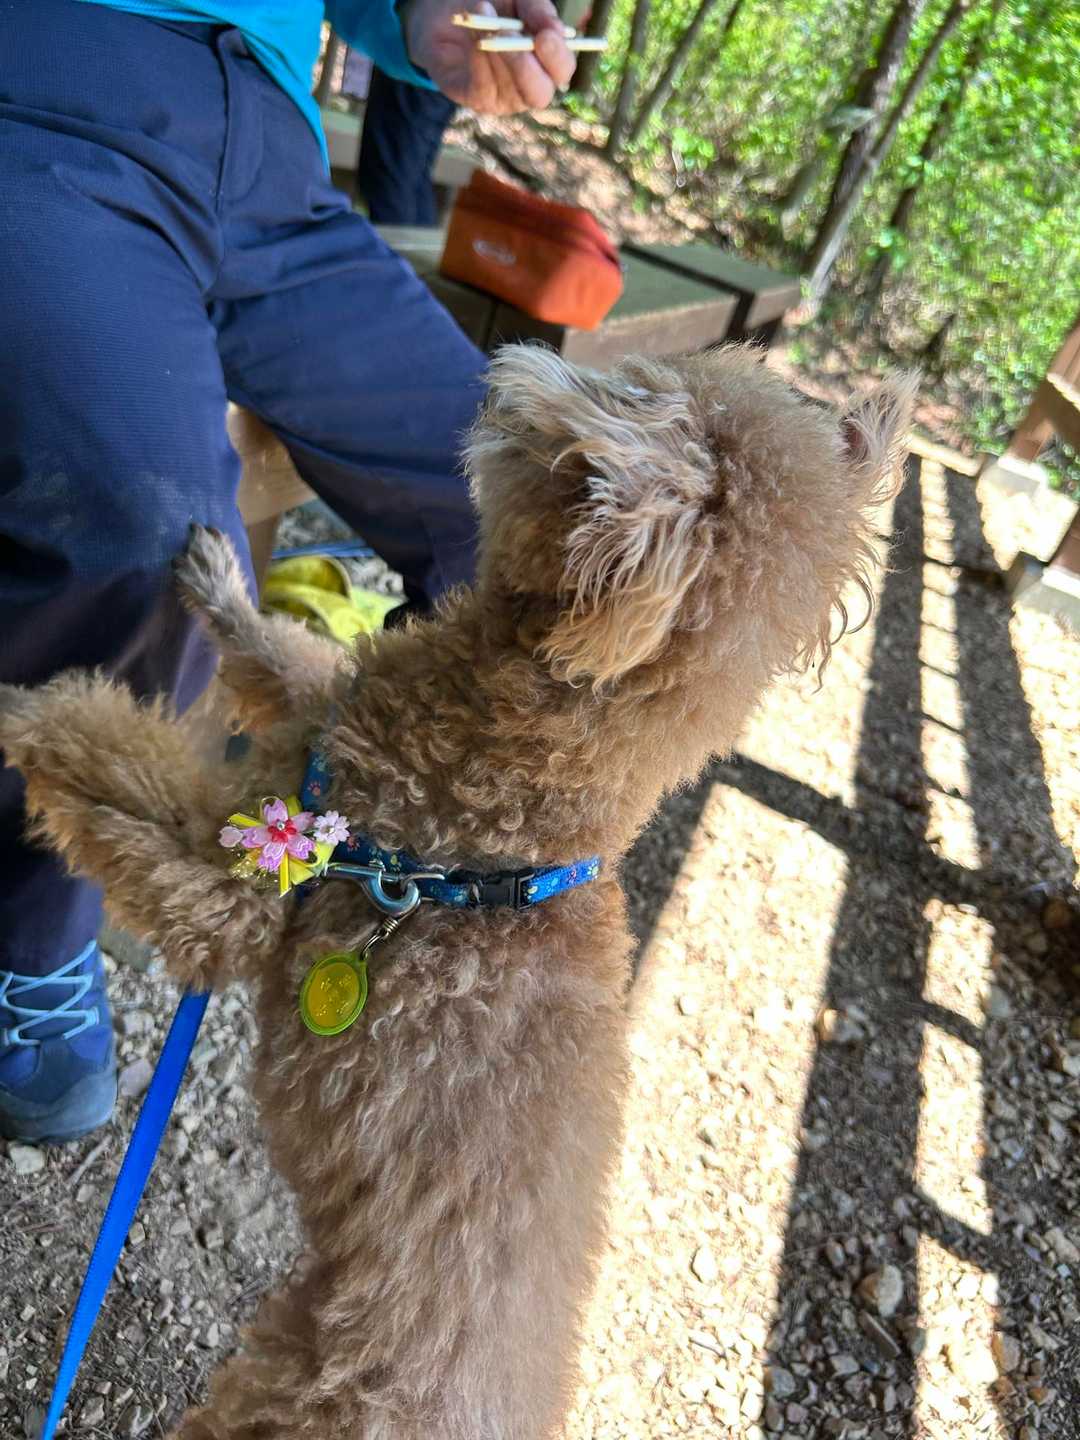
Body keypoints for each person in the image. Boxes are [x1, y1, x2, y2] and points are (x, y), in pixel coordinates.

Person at [0, 0, 574, 1145]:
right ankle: (29, 940)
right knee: (147, 533)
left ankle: (401, 891)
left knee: (544, 520)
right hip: (63, 73)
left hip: (273, 145)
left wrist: (413, 17)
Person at [356, 65, 458, 226]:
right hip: (439, 70)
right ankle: (410, 240)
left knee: (392, 178)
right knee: (413, 177)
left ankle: (394, 241)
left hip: (417, 70)